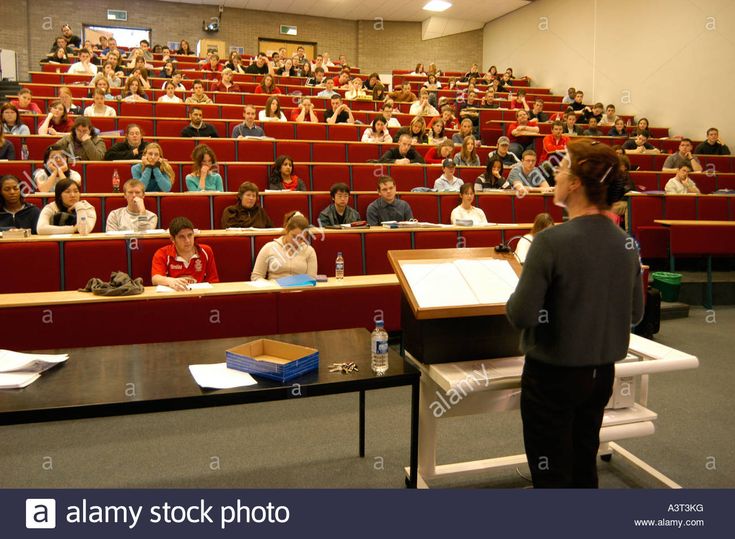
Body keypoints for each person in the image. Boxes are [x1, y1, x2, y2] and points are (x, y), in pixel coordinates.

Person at [506, 138, 644, 488]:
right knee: (584, 464)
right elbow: (636, 313)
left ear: (577, 183)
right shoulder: (626, 243)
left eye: (563, 167)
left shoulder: (551, 241)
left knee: (552, 474)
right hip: (601, 376)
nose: (556, 174)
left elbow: (521, 314)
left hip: (552, 377)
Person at [151, 217, 219, 289]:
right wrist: (170, 281)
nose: (187, 240)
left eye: (190, 235)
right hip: (175, 296)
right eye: (181, 237)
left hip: (200, 296)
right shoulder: (162, 253)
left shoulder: (206, 251)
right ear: (172, 239)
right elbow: (155, 279)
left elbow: (213, 281)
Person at [251, 211, 317, 281]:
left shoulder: (309, 251)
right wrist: (270, 286)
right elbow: (256, 277)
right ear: (287, 231)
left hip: (299, 290)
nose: (296, 242)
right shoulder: (269, 247)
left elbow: (311, 279)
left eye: (301, 238)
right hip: (275, 289)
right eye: (294, 236)